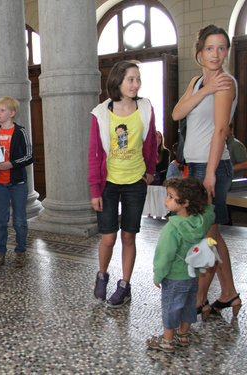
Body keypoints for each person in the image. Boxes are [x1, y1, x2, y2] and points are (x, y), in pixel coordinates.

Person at [172, 25, 241, 318]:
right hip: (195, 166)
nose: (216, 54)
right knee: (212, 234)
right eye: (210, 48)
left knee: (207, 238)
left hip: (212, 166)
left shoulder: (226, 83)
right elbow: (177, 113)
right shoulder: (198, 81)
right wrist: (205, 90)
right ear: (199, 53)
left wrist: (211, 172)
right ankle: (229, 294)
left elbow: (221, 130)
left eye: (222, 48)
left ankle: (200, 299)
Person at [88, 60, 157, 308]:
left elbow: (151, 144)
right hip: (108, 183)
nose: (136, 84)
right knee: (108, 238)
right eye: (131, 79)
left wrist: (149, 171)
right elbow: (94, 154)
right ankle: (102, 275)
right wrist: (95, 189)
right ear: (117, 81)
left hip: (135, 182)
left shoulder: (146, 108)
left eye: (138, 79)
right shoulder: (101, 113)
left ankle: (124, 285)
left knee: (129, 236)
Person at [147, 177, 215, 353]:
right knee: (188, 304)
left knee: (171, 307)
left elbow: (164, 255)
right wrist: (205, 196)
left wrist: (158, 275)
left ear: (184, 203)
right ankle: (183, 335)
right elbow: (210, 212)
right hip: (192, 276)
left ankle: (167, 340)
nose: (166, 200)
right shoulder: (200, 222)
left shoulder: (172, 228)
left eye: (170, 196)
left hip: (174, 276)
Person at [0, 97, 33, 269]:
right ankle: (0, 252)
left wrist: (11, 164)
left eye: (2, 110)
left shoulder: (20, 132)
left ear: (12, 113)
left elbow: (29, 156)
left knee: (20, 220)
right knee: (0, 219)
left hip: (17, 184)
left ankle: (20, 251)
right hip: (1, 184)